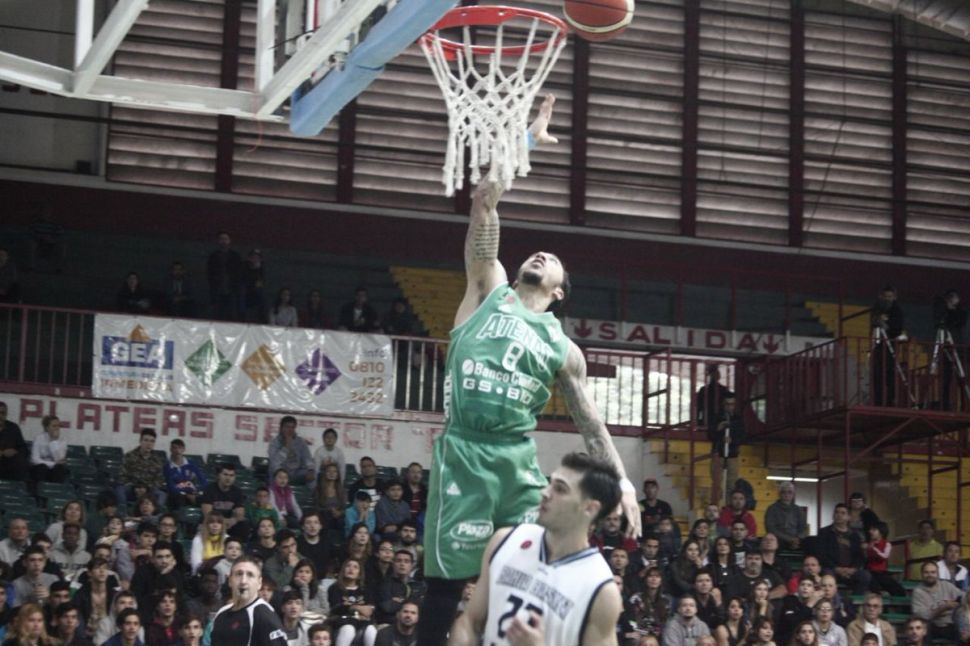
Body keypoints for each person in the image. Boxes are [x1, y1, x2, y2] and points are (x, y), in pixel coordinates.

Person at [421, 92, 640, 645]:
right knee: (444, 585)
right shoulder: (487, 287)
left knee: (537, 563)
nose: (541, 254)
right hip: (465, 450)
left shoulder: (563, 348)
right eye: (537, 253)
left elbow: (590, 424)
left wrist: (623, 482)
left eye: (553, 260)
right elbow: (483, 203)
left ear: (559, 291)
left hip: (517, 459)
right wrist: (524, 143)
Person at [449, 452, 625, 645]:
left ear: (590, 508)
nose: (545, 492)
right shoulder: (505, 541)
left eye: (560, 489)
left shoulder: (601, 590)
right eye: (550, 483)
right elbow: (469, 623)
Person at [211, 556, 287, 646]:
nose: (243, 581)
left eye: (250, 575)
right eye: (239, 574)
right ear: (230, 580)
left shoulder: (263, 615)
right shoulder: (221, 613)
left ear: (259, 583)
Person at [815, 504, 870, 595]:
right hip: (832, 569)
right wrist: (837, 568)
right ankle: (829, 601)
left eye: (843, 513)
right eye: (837, 512)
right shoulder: (824, 532)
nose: (839, 515)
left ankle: (854, 601)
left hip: (850, 570)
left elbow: (859, 556)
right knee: (827, 575)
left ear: (849, 517)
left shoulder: (855, 535)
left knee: (865, 576)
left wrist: (853, 569)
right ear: (833, 515)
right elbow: (821, 554)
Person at [933, 290, 967, 411]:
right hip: (946, 347)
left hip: (957, 346)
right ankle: (945, 404)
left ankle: (964, 404)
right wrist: (946, 308)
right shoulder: (943, 311)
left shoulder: (961, 312)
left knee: (960, 377)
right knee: (946, 378)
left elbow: (958, 321)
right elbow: (938, 321)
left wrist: (952, 309)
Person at [870, 286, 904, 407]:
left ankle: (891, 401)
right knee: (877, 374)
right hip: (878, 345)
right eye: (885, 297)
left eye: (890, 297)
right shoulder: (877, 308)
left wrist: (886, 323)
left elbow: (897, 328)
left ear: (894, 297)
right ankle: (877, 401)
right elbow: (873, 322)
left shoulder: (897, 311)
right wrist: (878, 320)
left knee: (890, 373)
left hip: (890, 345)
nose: (888, 299)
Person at [709, 395, 745, 506]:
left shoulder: (738, 420)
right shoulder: (716, 418)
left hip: (732, 454)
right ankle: (715, 507)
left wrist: (732, 440)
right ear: (723, 405)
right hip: (718, 453)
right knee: (717, 483)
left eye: (732, 404)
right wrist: (719, 431)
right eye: (727, 404)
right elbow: (710, 435)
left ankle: (729, 507)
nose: (730, 407)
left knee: (731, 484)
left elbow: (743, 437)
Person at [911, 561, 961, 642]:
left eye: (933, 572)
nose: (930, 575)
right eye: (926, 572)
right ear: (922, 574)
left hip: (949, 624)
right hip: (930, 626)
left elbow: (964, 596)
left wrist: (957, 603)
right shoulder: (918, 592)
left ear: (938, 574)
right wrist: (943, 608)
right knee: (922, 628)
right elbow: (922, 616)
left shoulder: (946, 585)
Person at [117, 429, 166, 511]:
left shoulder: (157, 460)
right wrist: (135, 487)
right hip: (132, 490)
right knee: (120, 490)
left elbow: (159, 480)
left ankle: (156, 515)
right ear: (140, 441)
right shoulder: (129, 456)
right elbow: (122, 476)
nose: (149, 444)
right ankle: (123, 514)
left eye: (152, 441)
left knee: (162, 494)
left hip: (149, 491)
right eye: (146, 440)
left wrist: (147, 489)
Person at [200, 464, 249, 540]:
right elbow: (207, 514)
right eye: (225, 474)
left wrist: (234, 520)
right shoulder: (209, 489)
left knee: (243, 526)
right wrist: (223, 521)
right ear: (219, 476)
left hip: (229, 524)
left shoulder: (237, 491)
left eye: (231, 475)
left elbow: (240, 513)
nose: (228, 478)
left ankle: (236, 546)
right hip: (212, 522)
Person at [206, 231, 243, 322]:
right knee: (217, 313)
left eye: (226, 239)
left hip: (232, 289)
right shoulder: (213, 256)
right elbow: (209, 272)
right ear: (218, 241)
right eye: (221, 239)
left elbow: (239, 272)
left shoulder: (235, 256)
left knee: (232, 313)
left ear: (229, 241)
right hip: (217, 289)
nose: (223, 241)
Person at [268, 417, 314, 486]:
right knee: (274, 471)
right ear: (281, 428)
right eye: (287, 427)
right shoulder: (274, 442)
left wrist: (311, 470)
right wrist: (286, 446)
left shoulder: (300, 442)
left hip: (296, 472)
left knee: (314, 474)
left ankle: (311, 493)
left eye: (292, 427)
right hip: (280, 472)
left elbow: (308, 459)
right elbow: (275, 463)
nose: (290, 430)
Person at [864, 523, 905, 597]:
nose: (870, 531)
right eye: (870, 529)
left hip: (881, 573)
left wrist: (873, 549)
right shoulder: (867, 544)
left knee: (899, 591)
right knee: (873, 587)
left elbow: (884, 556)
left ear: (881, 532)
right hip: (870, 572)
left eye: (874, 529)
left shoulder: (887, 544)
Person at [163, 439, 206, 510]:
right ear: (171, 450)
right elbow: (171, 487)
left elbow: (203, 481)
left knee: (206, 499)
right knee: (177, 498)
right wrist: (187, 494)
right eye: (175, 448)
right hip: (177, 496)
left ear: (184, 449)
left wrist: (196, 492)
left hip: (193, 494)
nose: (177, 450)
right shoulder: (167, 467)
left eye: (180, 448)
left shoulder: (192, 464)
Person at [764, 483, 807, 551]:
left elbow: (803, 528)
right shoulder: (771, 509)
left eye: (790, 492)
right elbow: (770, 528)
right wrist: (789, 539)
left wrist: (797, 539)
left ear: (793, 494)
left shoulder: (798, 509)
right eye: (783, 492)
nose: (786, 494)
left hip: (797, 542)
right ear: (779, 494)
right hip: (778, 541)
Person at [29, 415, 68, 485]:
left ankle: (55, 490)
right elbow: (34, 459)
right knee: (42, 468)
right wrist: (52, 464)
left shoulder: (62, 440)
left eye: (58, 426)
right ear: (47, 428)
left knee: (59, 469)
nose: (57, 428)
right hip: (41, 468)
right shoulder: (39, 438)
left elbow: (59, 459)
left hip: (55, 469)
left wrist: (53, 441)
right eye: (54, 426)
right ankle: (40, 489)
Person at [0, 402, 29, 483]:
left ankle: (19, 488)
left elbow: (24, 450)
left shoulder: (13, 428)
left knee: (21, 461)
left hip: (8, 465)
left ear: (6, 414)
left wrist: (15, 451)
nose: (0, 416)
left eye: (3, 413)